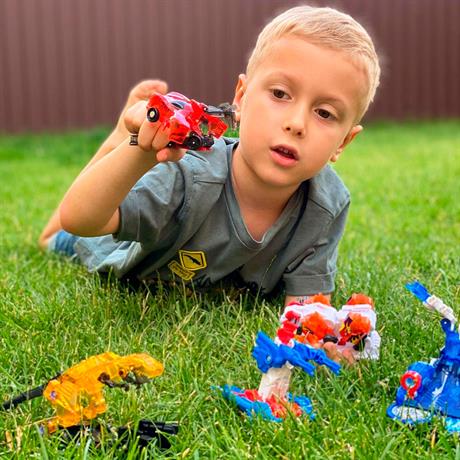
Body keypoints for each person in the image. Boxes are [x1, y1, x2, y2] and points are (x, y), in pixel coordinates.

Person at [39, 5, 381, 307]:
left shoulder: (326, 204)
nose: (296, 124)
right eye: (280, 94)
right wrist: (141, 156)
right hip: (120, 247)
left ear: (343, 143)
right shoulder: (189, 176)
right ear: (241, 99)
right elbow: (81, 218)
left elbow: (307, 310)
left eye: (324, 114)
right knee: (54, 238)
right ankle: (124, 141)